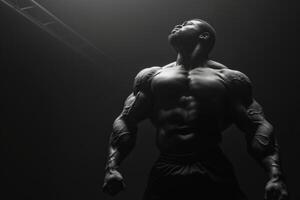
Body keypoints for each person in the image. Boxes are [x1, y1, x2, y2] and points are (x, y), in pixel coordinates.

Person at [102, 19, 288, 200]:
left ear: (204, 36)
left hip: (211, 164)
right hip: (167, 166)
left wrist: (275, 176)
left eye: (186, 24)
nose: (177, 25)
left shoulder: (230, 79)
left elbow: (256, 126)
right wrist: (112, 168)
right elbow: (126, 120)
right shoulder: (151, 77)